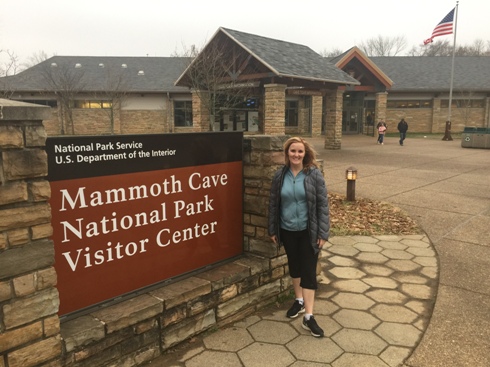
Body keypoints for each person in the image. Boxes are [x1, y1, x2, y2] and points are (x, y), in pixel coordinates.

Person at [268, 137, 330, 338]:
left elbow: (323, 205)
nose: (296, 155)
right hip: (287, 230)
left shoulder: (313, 175)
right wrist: (273, 230)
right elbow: (273, 205)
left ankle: (309, 317)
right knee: (294, 266)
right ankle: (299, 301)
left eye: (300, 151)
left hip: (308, 231)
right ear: (287, 154)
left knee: (308, 271)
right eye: (292, 151)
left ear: (305, 154)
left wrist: (323, 232)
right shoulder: (280, 176)